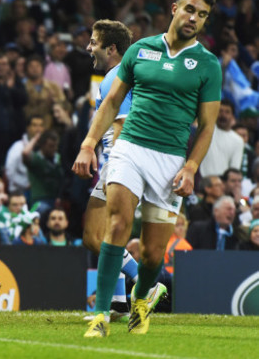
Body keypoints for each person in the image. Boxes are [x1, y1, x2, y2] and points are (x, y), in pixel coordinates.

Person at [74, 0, 221, 337]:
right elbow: (111, 103)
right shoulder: (140, 49)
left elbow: (207, 127)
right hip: (130, 148)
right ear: (174, 8)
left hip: (170, 159)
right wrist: (89, 143)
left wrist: (191, 167)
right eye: (190, 9)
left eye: (202, 15)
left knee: (154, 253)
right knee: (118, 225)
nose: (194, 19)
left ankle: (141, 299)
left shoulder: (207, 64)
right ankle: (101, 317)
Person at [81, 19, 166, 321]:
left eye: (93, 42)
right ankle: (118, 302)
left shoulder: (116, 76)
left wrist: (115, 166)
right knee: (105, 231)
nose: (88, 48)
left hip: (120, 160)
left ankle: (149, 284)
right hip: (125, 160)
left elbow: (122, 123)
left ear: (111, 48)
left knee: (94, 233)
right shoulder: (120, 76)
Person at [199, 99, 244, 177]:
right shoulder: (205, 129)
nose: (223, 115)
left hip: (221, 185)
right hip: (200, 180)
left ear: (232, 116)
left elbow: (234, 169)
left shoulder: (238, 141)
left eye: (227, 112)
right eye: (220, 111)